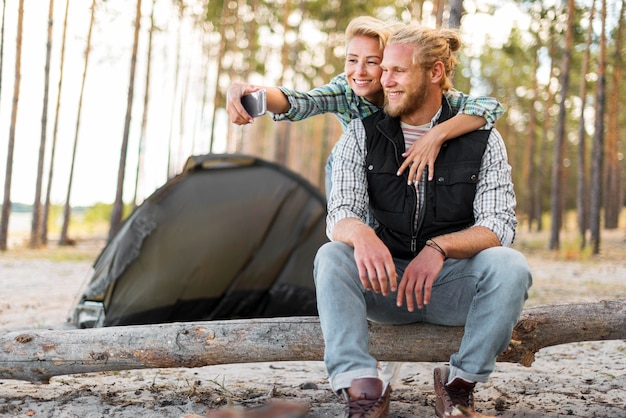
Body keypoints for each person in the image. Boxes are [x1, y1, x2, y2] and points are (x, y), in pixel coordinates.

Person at [313, 22, 532, 418]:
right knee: (332, 255)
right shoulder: (360, 135)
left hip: (450, 287)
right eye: (385, 69)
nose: (384, 79)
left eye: (398, 70)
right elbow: (341, 213)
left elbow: (499, 224)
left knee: (510, 265)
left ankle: (458, 387)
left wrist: (439, 248)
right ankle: (363, 389)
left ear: (435, 73)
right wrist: (361, 235)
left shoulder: (482, 139)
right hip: (385, 284)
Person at [226, 16, 505, 196]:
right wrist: (253, 92)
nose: (359, 71)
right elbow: (303, 101)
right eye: (351, 60)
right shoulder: (345, 91)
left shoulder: (409, 89)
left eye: (372, 62)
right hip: (353, 169)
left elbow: (487, 106)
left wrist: (438, 133)